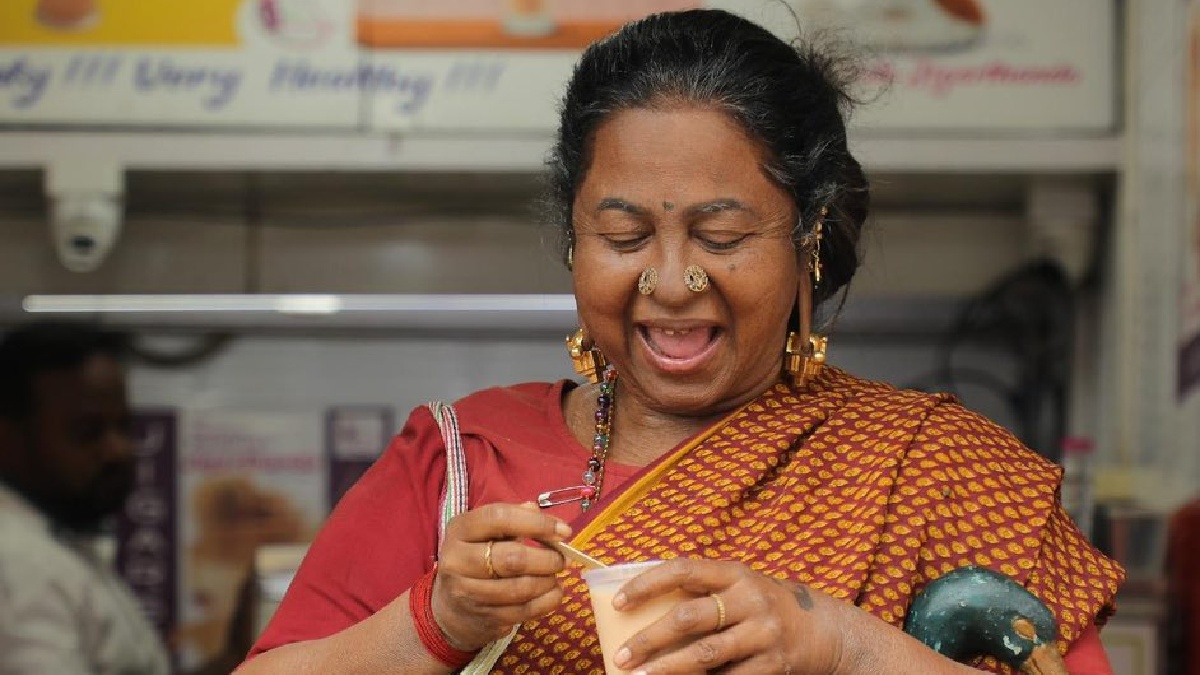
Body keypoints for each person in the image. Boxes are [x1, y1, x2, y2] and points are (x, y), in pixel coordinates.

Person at [241, 9, 1123, 674]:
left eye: (722, 236)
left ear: (808, 239)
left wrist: (843, 644)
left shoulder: (936, 472)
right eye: (624, 236)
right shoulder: (459, 460)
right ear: (574, 239)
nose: (670, 283)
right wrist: (434, 623)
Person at [0, 321, 171, 674]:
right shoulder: (18, 562)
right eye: (87, 431)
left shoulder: (59, 541)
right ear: (8, 436)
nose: (117, 450)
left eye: (123, 427)